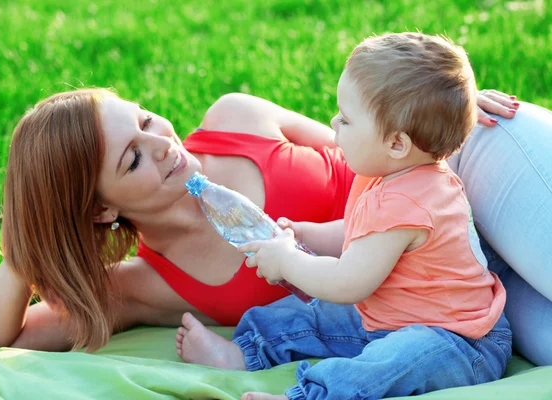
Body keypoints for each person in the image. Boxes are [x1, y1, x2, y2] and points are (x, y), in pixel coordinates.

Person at [0, 50, 550, 368]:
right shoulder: (146, 287)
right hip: (454, 301)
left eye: (143, 119)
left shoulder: (237, 120)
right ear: (97, 211)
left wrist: (453, 108)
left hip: (468, 183)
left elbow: (375, 138)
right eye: (131, 159)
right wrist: (26, 248)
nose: (163, 143)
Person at [174, 33, 512, 400]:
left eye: (346, 120)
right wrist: (308, 233)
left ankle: (309, 396)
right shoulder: (387, 174)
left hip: (459, 341)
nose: (334, 124)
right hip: (392, 316)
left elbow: (347, 283)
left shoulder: (410, 202)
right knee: (314, 314)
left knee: (389, 362)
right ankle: (242, 352)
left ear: (396, 144)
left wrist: (289, 261)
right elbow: (358, 236)